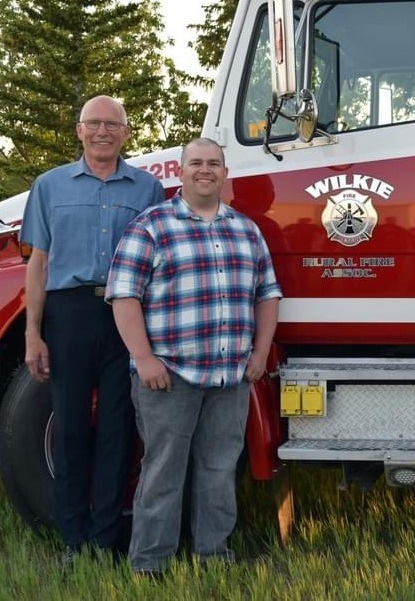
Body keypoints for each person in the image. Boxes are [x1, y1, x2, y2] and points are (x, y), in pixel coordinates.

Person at [106, 138, 282, 576]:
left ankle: (213, 555)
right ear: (180, 172)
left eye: (214, 164)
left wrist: (259, 352)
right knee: (163, 472)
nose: (205, 171)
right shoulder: (150, 227)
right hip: (170, 375)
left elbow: (268, 294)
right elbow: (123, 296)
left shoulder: (245, 230)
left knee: (219, 470)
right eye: (196, 163)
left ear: (225, 174)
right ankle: (149, 564)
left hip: (230, 375)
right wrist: (144, 359)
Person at [20, 95, 164, 564]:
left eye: (112, 124)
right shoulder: (49, 186)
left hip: (126, 314)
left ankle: (104, 541)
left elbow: (158, 263)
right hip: (69, 316)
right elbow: (38, 266)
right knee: (72, 427)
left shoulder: (147, 189)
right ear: (79, 130)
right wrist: (33, 334)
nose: (103, 131)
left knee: (118, 429)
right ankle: (72, 540)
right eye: (94, 123)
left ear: (126, 133)